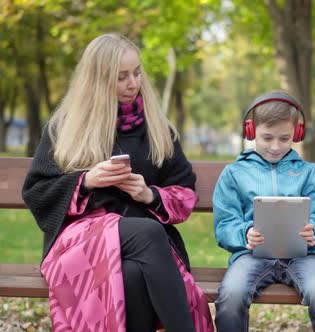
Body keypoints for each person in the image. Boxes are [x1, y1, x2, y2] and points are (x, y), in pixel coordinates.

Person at [22, 33, 213, 332]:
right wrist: (86, 181)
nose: (133, 84)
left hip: (145, 248)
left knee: (132, 275)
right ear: (98, 80)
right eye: (121, 76)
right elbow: (37, 192)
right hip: (80, 241)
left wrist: (149, 195)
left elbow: (184, 191)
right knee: (149, 233)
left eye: (137, 73)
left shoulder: (158, 129)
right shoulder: (66, 127)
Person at [212, 91, 315, 331]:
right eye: (267, 137)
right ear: (251, 131)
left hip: (305, 256)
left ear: (298, 133)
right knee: (231, 295)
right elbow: (224, 225)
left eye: (285, 138)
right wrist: (245, 233)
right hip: (251, 256)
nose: (275, 146)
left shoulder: (309, 172)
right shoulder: (234, 173)